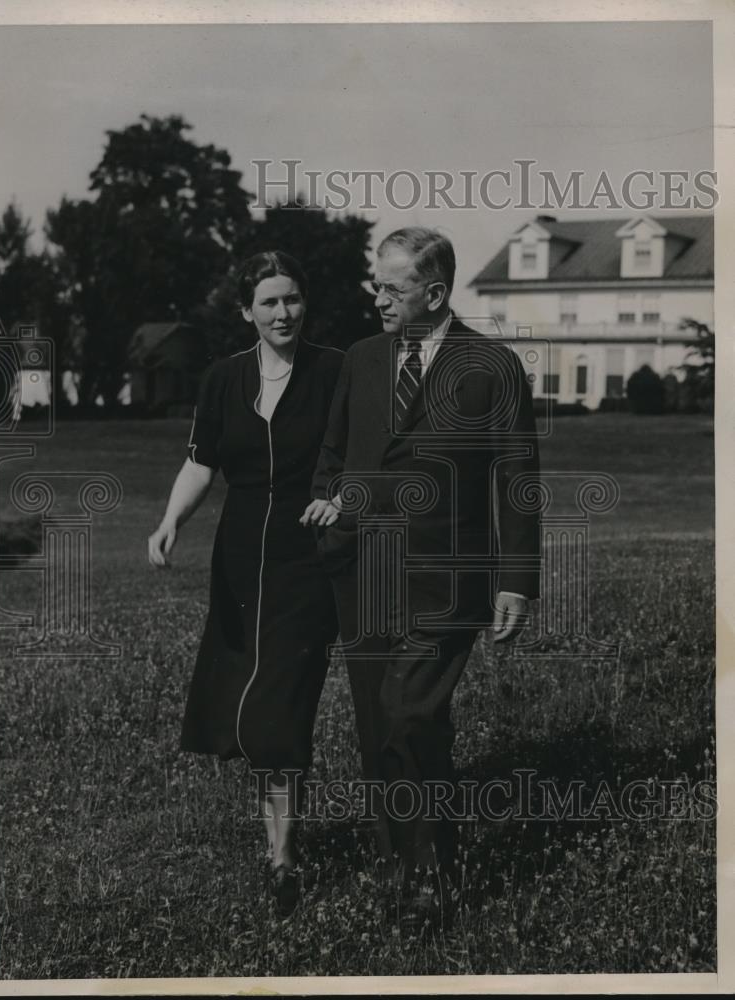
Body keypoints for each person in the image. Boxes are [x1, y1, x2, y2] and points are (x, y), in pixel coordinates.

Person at [302, 227, 541, 931]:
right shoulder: (362, 359)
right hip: (362, 573)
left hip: (447, 579)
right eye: (376, 285)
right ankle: (401, 861)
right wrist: (328, 516)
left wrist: (515, 580)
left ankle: (432, 880)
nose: (378, 298)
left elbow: (518, 479)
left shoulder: (489, 366)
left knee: (410, 711)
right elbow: (335, 453)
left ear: (434, 293)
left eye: (393, 288)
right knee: (385, 727)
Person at [148, 251, 343, 917]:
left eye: (291, 299)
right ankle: (277, 847)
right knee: (247, 714)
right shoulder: (223, 378)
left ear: (304, 304)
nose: (282, 313)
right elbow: (200, 463)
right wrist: (171, 520)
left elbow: (365, 456)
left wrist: (343, 498)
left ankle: (284, 855)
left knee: (278, 708)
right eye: (269, 302)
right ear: (246, 311)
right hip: (237, 566)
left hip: (307, 565)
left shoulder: (334, 372)